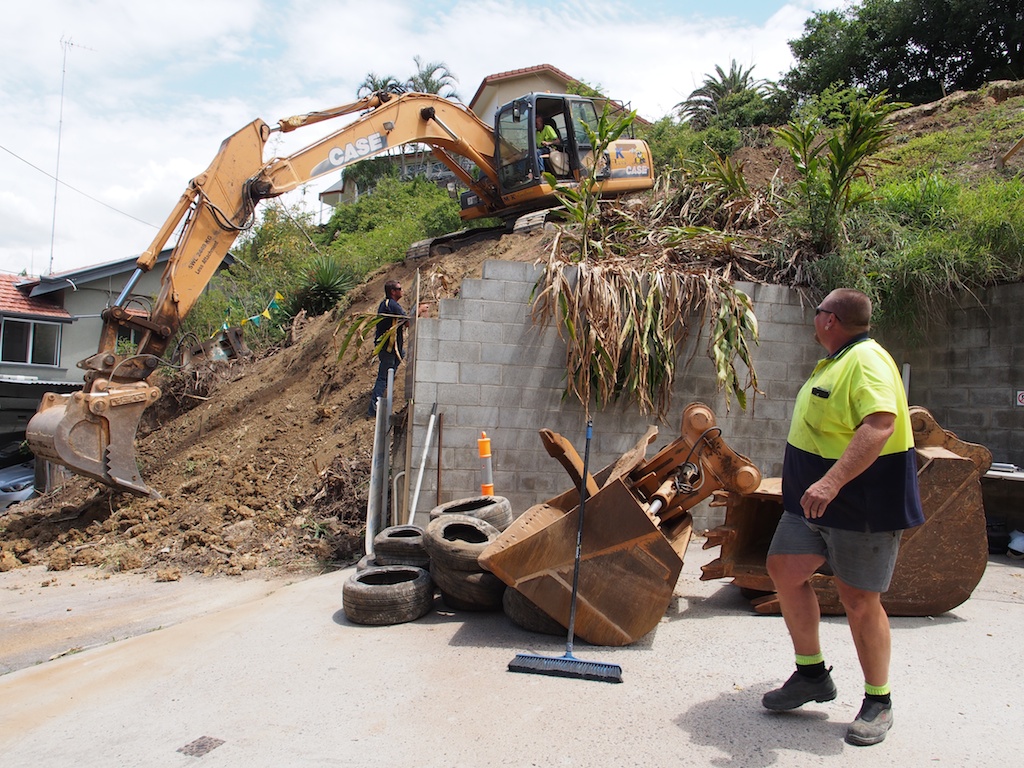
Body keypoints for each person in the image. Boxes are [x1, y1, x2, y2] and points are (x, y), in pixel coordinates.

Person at [762, 288, 924, 747]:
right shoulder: (839, 359)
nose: (814, 319)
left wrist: (831, 482)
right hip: (811, 505)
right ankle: (812, 675)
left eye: (817, 312)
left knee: (858, 599)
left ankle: (879, 700)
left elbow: (879, 425)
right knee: (784, 568)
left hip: (860, 505)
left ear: (830, 320)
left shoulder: (867, 360)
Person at [367, 279, 407, 418]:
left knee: (402, 353)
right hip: (388, 348)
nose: (402, 291)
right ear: (393, 292)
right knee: (383, 377)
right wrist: (418, 311)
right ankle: (374, 410)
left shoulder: (387, 304)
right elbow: (407, 322)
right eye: (399, 288)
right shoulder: (391, 305)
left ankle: (385, 388)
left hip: (391, 348)